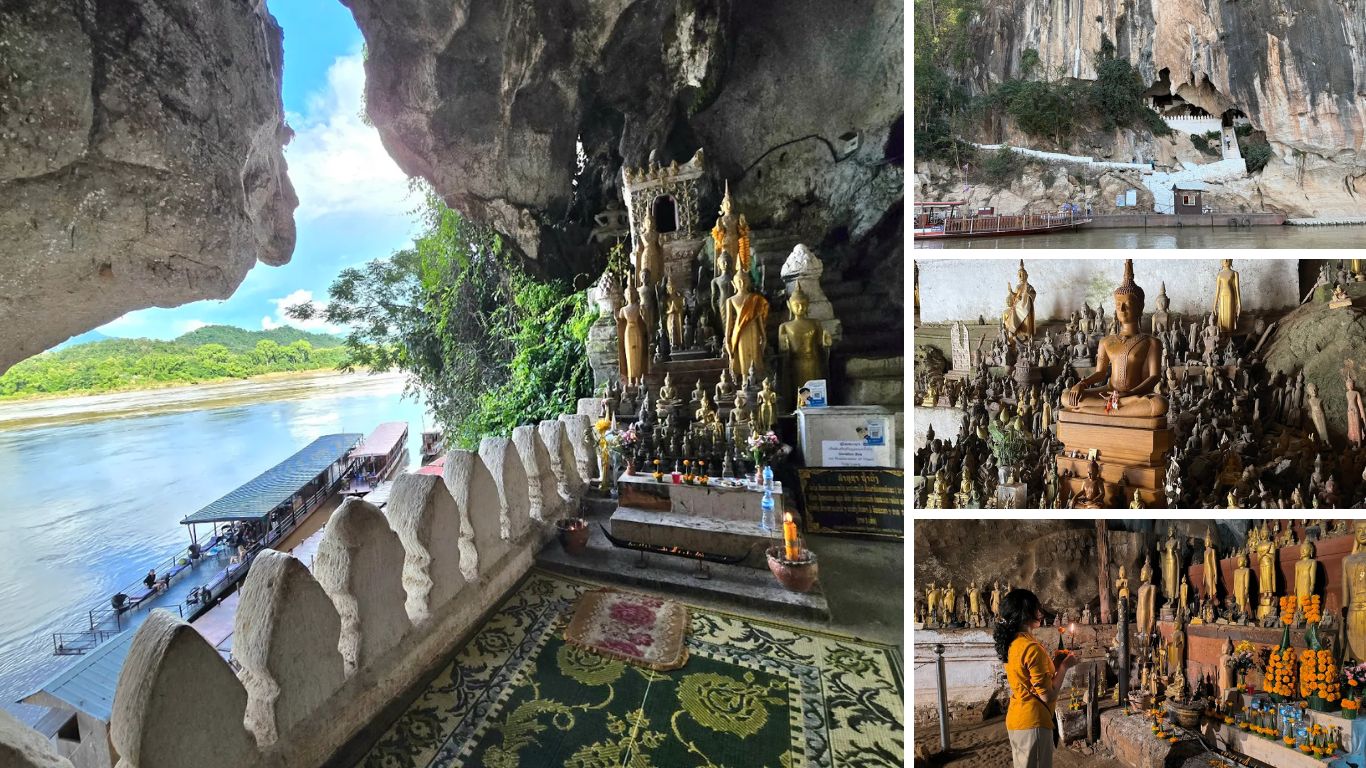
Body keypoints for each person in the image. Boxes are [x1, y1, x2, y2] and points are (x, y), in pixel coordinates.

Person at [995, 588, 1077, 768]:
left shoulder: (1015, 643)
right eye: (1036, 608)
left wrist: (1055, 664)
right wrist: (1065, 667)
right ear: (1026, 613)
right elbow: (1048, 695)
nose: (1040, 613)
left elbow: (1031, 681)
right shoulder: (1031, 648)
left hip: (1018, 718)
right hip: (1033, 723)